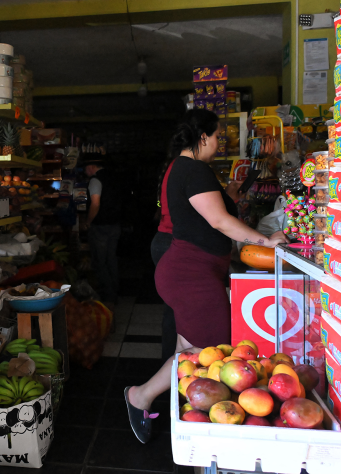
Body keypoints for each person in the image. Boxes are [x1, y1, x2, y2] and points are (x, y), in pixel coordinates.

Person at [124, 109, 287, 444]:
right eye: (215, 137)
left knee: (189, 352)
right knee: (211, 351)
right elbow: (219, 221)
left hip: (188, 271)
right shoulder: (194, 169)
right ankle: (144, 399)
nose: (217, 143)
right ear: (202, 138)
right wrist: (265, 240)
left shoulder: (179, 168)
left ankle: (172, 410)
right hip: (190, 275)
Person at [83, 155, 122, 305]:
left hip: (100, 226)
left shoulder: (95, 180)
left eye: (86, 169)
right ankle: (115, 291)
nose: (85, 172)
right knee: (111, 259)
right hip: (115, 225)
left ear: (91, 167)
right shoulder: (114, 178)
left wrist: (88, 222)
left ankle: (108, 296)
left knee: (100, 261)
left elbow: (95, 204)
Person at [151, 158, 177, 362]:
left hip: (162, 241)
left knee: (172, 310)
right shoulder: (182, 171)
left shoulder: (169, 174)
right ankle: (171, 365)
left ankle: (169, 364)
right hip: (171, 243)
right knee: (175, 312)